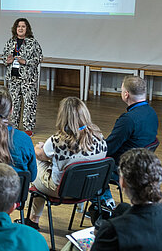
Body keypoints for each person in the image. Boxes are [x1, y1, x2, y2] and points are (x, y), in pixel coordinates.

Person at [26, 97, 107, 229]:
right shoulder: (100, 137)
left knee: (35, 163)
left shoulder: (57, 141)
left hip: (61, 190)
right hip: (89, 188)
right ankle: (79, 206)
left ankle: (33, 219)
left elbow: (40, 155)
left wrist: (38, 147)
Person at [101, 75, 158, 206]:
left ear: (126, 94)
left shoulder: (128, 119)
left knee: (91, 167)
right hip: (141, 164)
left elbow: (109, 148)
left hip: (122, 166)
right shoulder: (151, 113)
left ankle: (104, 203)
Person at [2, 18, 43, 134]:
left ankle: (28, 128)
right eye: (18, 26)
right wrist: (7, 60)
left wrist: (26, 62)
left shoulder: (33, 43)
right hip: (13, 78)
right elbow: (4, 56)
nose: (20, 28)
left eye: (23, 26)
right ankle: (13, 126)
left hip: (28, 79)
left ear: (27, 29)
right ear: (15, 29)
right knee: (13, 103)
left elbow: (39, 58)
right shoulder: (10, 42)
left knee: (29, 103)